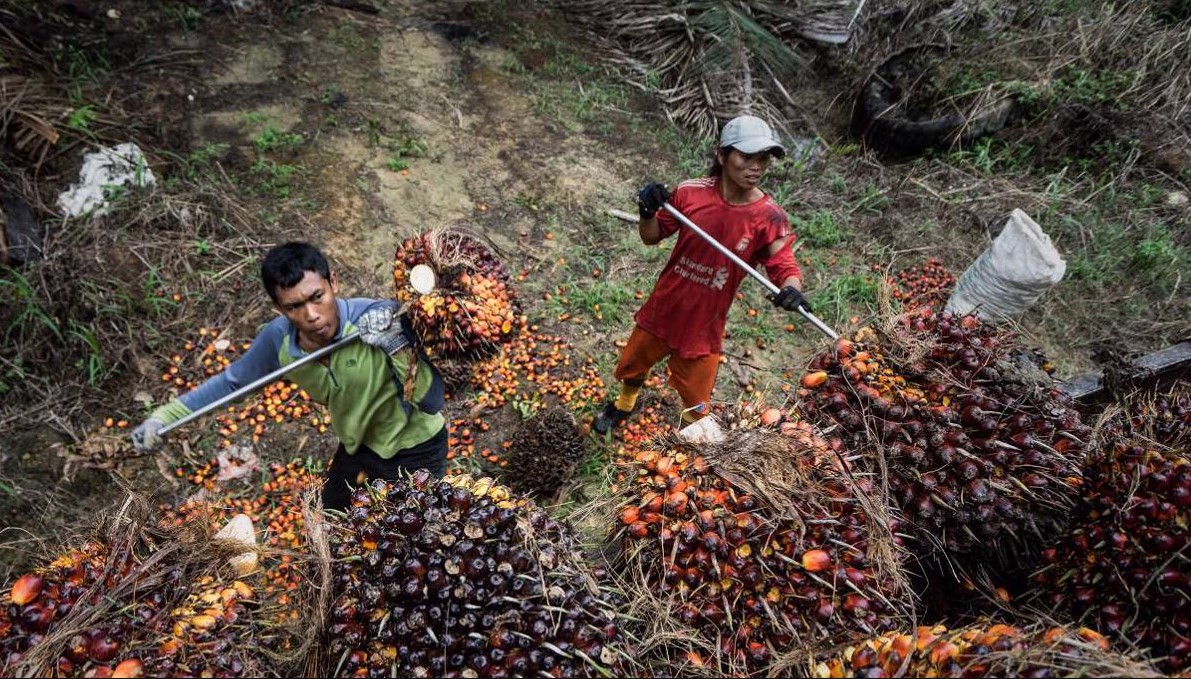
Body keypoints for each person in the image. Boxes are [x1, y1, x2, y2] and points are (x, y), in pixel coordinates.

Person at [131, 242, 447, 511]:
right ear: (279, 307)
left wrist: (396, 343)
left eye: (317, 297)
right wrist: (163, 417)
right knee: (333, 524)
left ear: (333, 283)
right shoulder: (279, 341)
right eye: (295, 306)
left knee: (401, 542)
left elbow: (431, 400)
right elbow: (232, 385)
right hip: (360, 449)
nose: (311, 315)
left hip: (417, 448)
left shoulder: (379, 319)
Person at [592, 114, 810, 435]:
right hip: (666, 305)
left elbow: (785, 266)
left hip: (705, 322)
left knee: (696, 397)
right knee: (633, 364)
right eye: (747, 157)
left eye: (763, 159)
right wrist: (647, 211)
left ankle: (696, 443)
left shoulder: (769, 217)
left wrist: (791, 289)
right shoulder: (690, 194)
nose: (757, 167)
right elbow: (651, 236)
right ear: (722, 156)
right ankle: (625, 404)